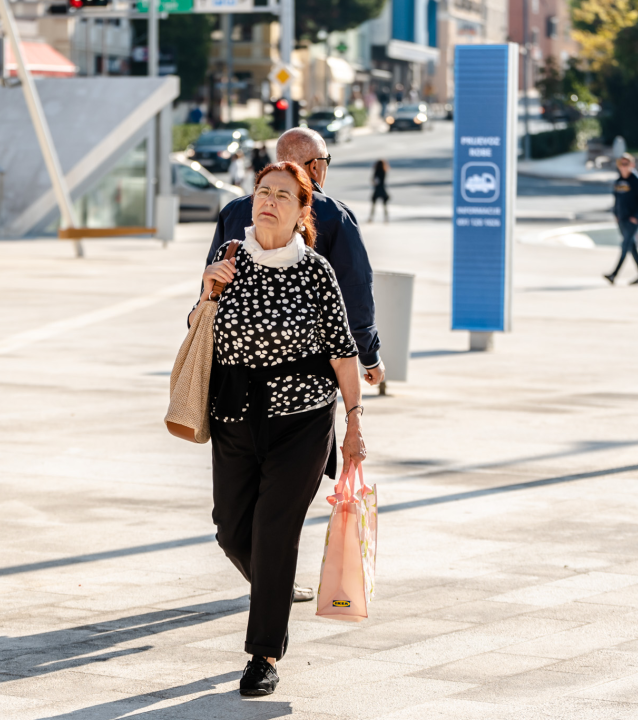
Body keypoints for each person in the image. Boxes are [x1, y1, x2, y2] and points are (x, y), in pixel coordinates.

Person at [193, 161, 366, 696]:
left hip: (303, 421)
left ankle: (263, 653)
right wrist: (207, 292)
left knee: (274, 531)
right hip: (234, 416)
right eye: (263, 192)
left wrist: (355, 421)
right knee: (230, 528)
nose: (268, 201)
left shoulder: (316, 270)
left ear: (301, 211)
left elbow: (342, 353)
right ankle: (274, 582)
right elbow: (198, 332)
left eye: (282, 196)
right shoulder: (228, 259)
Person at [206, 126, 383, 603]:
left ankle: (269, 602)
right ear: (319, 167)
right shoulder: (335, 216)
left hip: (302, 396)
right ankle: (273, 573)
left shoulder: (234, 210)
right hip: (260, 396)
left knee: (281, 503)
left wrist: (355, 400)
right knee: (242, 522)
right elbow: (356, 291)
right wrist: (370, 354)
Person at [604, 153, 638, 285]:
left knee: (625, 246)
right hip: (621, 219)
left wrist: (635, 216)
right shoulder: (618, 182)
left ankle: (614, 274)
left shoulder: (637, 181)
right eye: (621, 164)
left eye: (626, 164)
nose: (623, 167)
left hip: (632, 221)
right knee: (631, 247)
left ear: (632, 165)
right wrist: (615, 214)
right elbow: (616, 200)